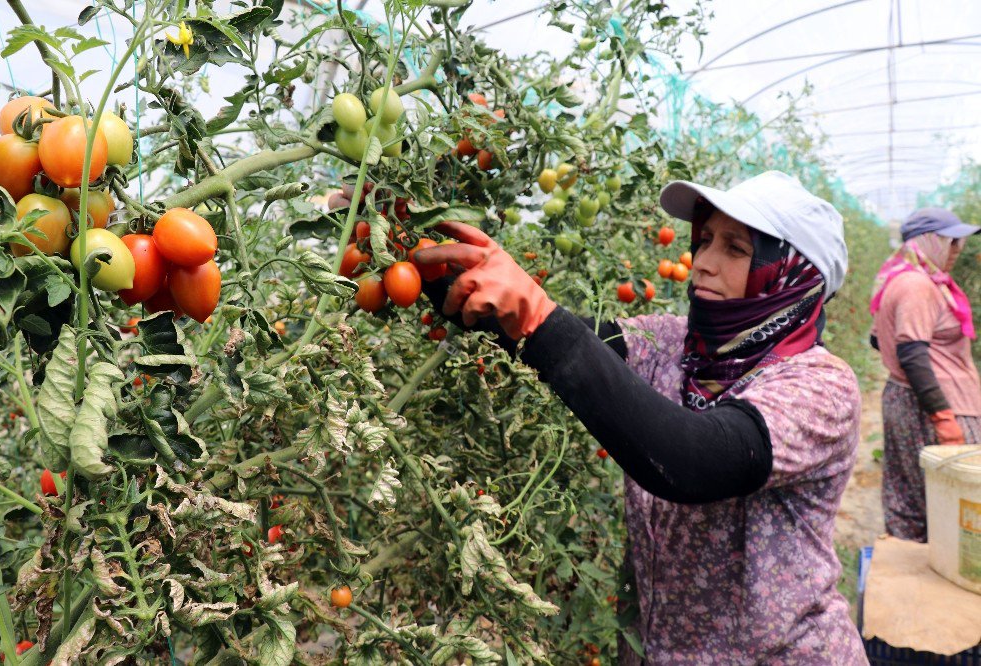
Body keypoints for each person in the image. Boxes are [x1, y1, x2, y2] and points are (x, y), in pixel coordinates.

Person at [416, 171, 867, 664]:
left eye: (736, 249)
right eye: (705, 241)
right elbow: (544, 340)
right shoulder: (670, 342)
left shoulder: (822, 386)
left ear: (791, 274)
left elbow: (692, 459)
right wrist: (412, 256)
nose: (704, 264)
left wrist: (539, 316)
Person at [869, 208, 981, 543]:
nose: (957, 251)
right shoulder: (918, 286)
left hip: (908, 399)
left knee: (912, 492)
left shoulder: (903, 278)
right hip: (936, 406)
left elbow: (877, 339)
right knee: (955, 496)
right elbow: (913, 354)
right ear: (930, 241)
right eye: (952, 242)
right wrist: (943, 417)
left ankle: (913, 567)